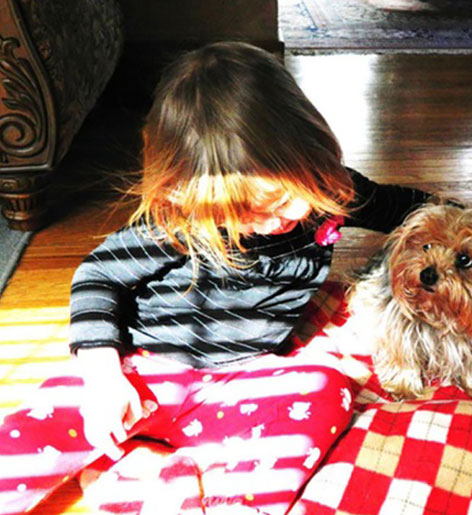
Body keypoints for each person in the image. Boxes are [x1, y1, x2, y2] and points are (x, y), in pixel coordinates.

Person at [0, 42, 433, 514]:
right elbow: (96, 277)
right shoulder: (179, 222)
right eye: (242, 215)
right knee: (28, 442)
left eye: (282, 202)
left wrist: (468, 229)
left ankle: (182, 480)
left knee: (325, 389)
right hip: (143, 370)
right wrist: (103, 377)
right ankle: (149, 464)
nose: (272, 222)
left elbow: (404, 208)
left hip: (245, 379)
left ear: (315, 155)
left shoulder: (333, 191)